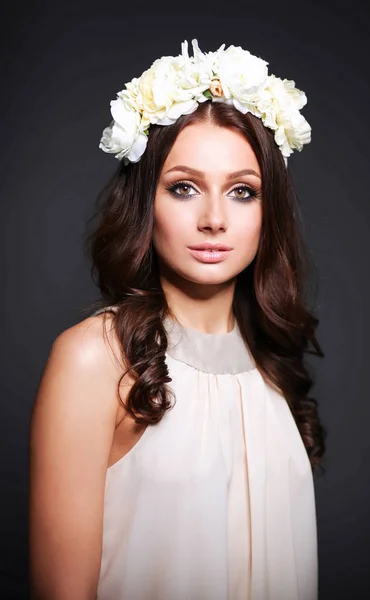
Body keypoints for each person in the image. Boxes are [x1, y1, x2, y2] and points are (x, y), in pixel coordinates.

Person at [28, 39, 326, 600]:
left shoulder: (271, 362)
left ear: (270, 211)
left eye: (243, 192)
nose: (214, 219)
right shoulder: (95, 357)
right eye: (184, 187)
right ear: (146, 201)